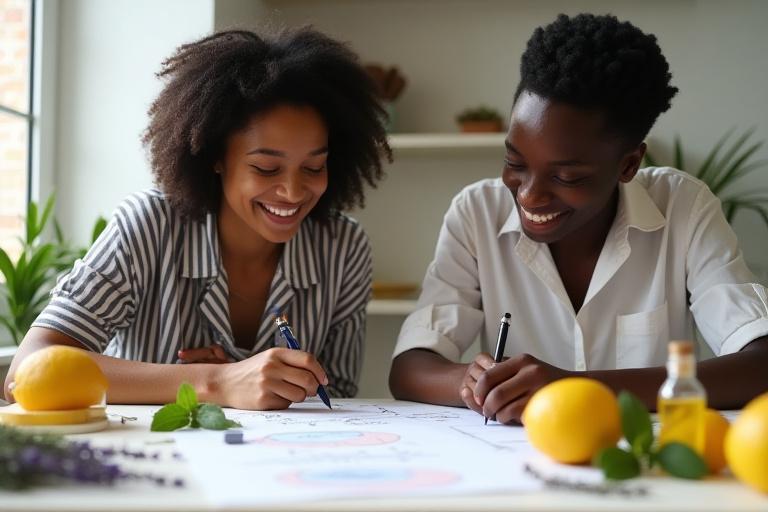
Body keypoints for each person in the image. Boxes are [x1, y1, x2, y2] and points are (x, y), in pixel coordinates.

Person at [389, 13, 768, 424]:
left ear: (628, 165)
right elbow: (410, 368)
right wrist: (471, 381)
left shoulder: (683, 207)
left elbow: (760, 364)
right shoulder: (476, 213)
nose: (529, 194)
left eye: (566, 177)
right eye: (515, 162)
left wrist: (576, 388)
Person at [4, 27, 390, 410]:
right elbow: (26, 372)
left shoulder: (344, 249)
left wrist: (251, 382)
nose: (292, 192)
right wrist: (214, 383)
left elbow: (338, 395)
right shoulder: (149, 226)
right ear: (216, 158)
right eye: (266, 168)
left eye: (313, 167)